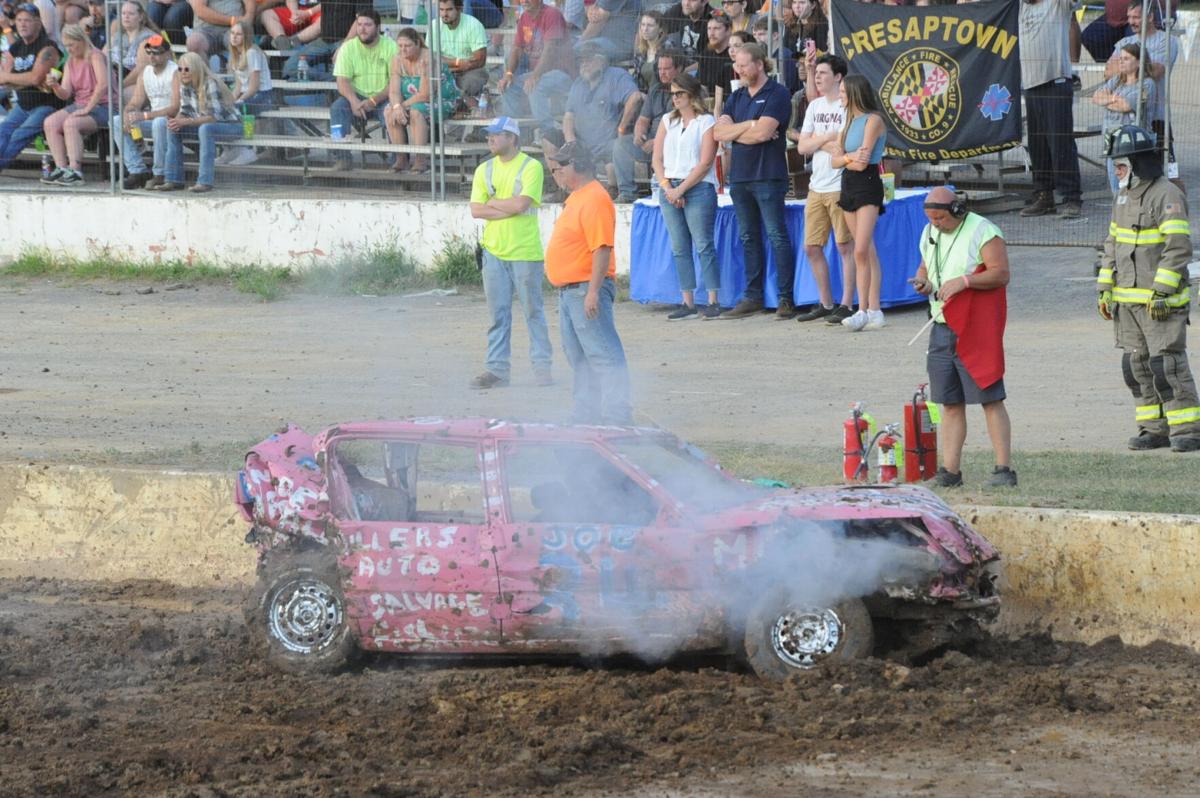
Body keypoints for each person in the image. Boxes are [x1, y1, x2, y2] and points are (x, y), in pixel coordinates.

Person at [1097, 125, 1199, 453]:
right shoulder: (1123, 197)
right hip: (1127, 302)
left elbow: (1178, 247)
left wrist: (1162, 291)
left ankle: (1188, 428)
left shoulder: (1166, 194)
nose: (1116, 171)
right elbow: (1113, 243)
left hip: (1160, 303)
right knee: (1135, 366)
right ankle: (1154, 428)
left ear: (1138, 164)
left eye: (1121, 165)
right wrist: (1105, 288)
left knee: (1166, 365)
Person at [910, 186, 1017, 487]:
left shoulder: (984, 231)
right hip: (941, 326)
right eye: (931, 219)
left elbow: (1000, 273)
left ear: (956, 210)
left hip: (974, 327)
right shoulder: (929, 232)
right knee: (950, 402)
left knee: (990, 398)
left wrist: (965, 281)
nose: (936, 225)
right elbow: (926, 264)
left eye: (941, 219)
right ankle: (950, 472)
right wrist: (924, 281)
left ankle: (1003, 470)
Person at [545, 141, 633, 425]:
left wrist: (593, 291)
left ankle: (616, 417)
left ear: (579, 166)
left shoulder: (594, 198)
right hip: (572, 290)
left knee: (603, 355)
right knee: (580, 357)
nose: (556, 173)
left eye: (561, 167)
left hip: (584, 288)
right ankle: (587, 415)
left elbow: (602, 248)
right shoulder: (580, 197)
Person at [468, 116, 554, 389]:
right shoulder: (485, 169)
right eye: (489, 135)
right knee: (498, 315)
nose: (490, 139)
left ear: (512, 138)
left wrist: (493, 204)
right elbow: (475, 210)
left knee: (532, 312)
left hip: (524, 252)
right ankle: (497, 369)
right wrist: (505, 206)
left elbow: (521, 205)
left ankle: (541, 368)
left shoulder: (531, 167)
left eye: (496, 134)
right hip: (494, 251)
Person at [714, 43, 795, 319]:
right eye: (737, 65)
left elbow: (764, 134)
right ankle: (753, 296)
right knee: (748, 237)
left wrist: (742, 131)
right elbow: (719, 133)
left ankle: (785, 297)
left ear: (760, 65)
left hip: (768, 176)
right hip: (740, 177)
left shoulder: (778, 93)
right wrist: (750, 125)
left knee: (776, 236)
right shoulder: (736, 97)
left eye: (744, 64)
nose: (739, 69)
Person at [788, 52, 855, 324]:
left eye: (823, 72)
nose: (817, 76)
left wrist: (818, 138)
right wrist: (826, 137)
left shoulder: (847, 106)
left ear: (838, 77)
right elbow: (802, 146)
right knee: (812, 247)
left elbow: (846, 145)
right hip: (817, 185)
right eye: (816, 73)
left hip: (841, 183)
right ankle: (826, 302)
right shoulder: (814, 107)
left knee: (844, 246)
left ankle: (848, 303)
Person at [652, 72, 721, 321]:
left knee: (703, 244)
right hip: (671, 184)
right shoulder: (667, 121)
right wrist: (667, 186)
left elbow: (704, 163)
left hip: (698, 185)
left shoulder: (706, 122)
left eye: (679, 93)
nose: (675, 99)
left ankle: (713, 299)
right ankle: (687, 300)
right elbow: (656, 158)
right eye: (673, 94)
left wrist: (678, 190)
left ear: (691, 95)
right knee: (680, 246)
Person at [830, 73, 886, 331]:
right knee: (865, 250)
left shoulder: (872, 120)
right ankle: (874, 308)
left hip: (867, 183)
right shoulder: (848, 122)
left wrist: (846, 156)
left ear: (853, 94)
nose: (839, 97)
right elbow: (835, 161)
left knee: (861, 249)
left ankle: (862, 308)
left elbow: (863, 161)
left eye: (842, 93)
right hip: (848, 184)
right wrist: (848, 156)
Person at [1018, 0, 1082, 218]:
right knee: (1037, 145)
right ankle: (1044, 195)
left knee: (1060, 143)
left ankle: (1071, 198)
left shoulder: (1057, 4)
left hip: (1055, 80)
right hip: (1030, 84)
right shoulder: (1020, 6)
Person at [157, 50, 241, 192]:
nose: (183, 72)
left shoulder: (210, 83)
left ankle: (205, 182)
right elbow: (185, 110)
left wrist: (187, 122)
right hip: (205, 124)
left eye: (187, 69)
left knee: (205, 128)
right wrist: (176, 121)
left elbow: (214, 117)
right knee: (173, 127)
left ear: (195, 68)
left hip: (232, 126)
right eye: (180, 69)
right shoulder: (185, 85)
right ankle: (173, 179)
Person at [40, 23, 109, 187]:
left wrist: (87, 109)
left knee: (71, 123)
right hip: (80, 104)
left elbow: (103, 85)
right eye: (66, 46)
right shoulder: (70, 60)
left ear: (82, 40)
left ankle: (76, 171)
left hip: (104, 106)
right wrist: (55, 85)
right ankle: (61, 168)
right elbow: (66, 93)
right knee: (49, 122)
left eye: (71, 45)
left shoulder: (95, 56)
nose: (69, 49)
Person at [329, 9, 398, 171]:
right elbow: (342, 81)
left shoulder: (391, 47)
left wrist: (374, 101)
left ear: (378, 27)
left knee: (391, 112)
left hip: (384, 97)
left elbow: (395, 82)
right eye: (359, 24)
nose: (362, 29)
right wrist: (354, 101)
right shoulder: (347, 48)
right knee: (337, 108)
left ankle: (397, 160)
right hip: (356, 97)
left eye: (367, 25)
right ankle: (342, 158)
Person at [0, 3, 64, 173]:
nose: (22, 24)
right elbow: (5, 81)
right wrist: (25, 79)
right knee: (3, 131)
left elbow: (36, 77)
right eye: (19, 20)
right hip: (23, 105)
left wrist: (12, 77)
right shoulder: (16, 47)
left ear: (38, 22)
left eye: (27, 20)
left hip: (47, 105)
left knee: (18, 136)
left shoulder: (48, 47)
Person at [612, 49, 683, 203]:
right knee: (621, 143)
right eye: (659, 69)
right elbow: (643, 119)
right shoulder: (656, 89)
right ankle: (627, 193)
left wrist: (658, 143)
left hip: (674, 145)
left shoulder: (687, 91)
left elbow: (682, 129)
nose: (662, 73)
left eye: (667, 69)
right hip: (650, 141)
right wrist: (639, 134)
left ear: (679, 69)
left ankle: (664, 192)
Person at [1107, 1, 1177, 156]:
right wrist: (1137, 66)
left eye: (1136, 17)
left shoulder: (1166, 41)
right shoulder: (1124, 42)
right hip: (1125, 113)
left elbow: (1156, 71)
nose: (1131, 22)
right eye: (1129, 17)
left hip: (1155, 114)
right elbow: (1107, 72)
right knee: (1126, 160)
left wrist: (1123, 67)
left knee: (1163, 164)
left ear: (1150, 17)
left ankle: (1172, 175)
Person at [384, 27, 457, 174]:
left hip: (441, 100)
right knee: (388, 110)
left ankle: (420, 160)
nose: (403, 50)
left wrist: (402, 105)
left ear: (417, 44)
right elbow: (393, 90)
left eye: (407, 46)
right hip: (412, 101)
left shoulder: (429, 59)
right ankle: (401, 158)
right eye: (400, 46)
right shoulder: (397, 59)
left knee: (417, 111)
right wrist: (397, 106)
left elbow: (426, 94)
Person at [562, 40, 640, 175]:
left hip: (608, 144)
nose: (584, 64)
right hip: (581, 143)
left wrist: (621, 129)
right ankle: (565, 189)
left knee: (611, 167)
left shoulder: (617, 76)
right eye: (582, 61)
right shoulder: (578, 84)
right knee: (549, 138)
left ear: (601, 61)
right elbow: (568, 116)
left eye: (589, 60)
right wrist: (571, 142)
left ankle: (613, 191)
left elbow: (635, 98)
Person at [497, 0, 574, 136]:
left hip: (562, 73)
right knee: (508, 86)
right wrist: (508, 74)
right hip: (541, 73)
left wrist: (535, 76)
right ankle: (517, 135)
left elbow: (550, 49)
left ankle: (549, 134)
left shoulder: (552, 14)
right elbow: (517, 48)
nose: (524, 1)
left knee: (536, 86)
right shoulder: (524, 17)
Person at [118, 33, 178, 189]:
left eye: (157, 52)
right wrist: (128, 113)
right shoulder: (145, 72)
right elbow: (136, 101)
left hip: (174, 120)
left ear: (167, 54)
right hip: (152, 119)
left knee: (158, 123)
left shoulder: (175, 71)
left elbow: (174, 108)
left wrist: (145, 115)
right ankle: (137, 171)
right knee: (117, 121)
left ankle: (160, 174)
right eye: (150, 52)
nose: (152, 56)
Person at [1093, 42, 1153, 194]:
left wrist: (1108, 101)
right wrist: (1114, 100)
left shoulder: (1146, 83)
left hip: (1132, 144)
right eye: (1120, 58)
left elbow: (1126, 105)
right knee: (1116, 190)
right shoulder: (1116, 81)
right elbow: (1096, 97)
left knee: (1132, 189)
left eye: (1126, 58)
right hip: (1112, 142)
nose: (1121, 61)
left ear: (1139, 62)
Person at [222, 20, 271, 166]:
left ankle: (247, 150)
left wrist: (239, 100)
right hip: (247, 93)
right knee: (222, 108)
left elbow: (254, 86)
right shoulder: (235, 54)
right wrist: (229, 100)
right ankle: (230, 149)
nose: (234, 37)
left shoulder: (252, 53)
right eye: (232, 33)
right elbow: (238, 86)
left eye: (239, 34)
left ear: (246, 37)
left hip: (262, 95)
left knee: (238, 109)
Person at [283, 0, 357, 80]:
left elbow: (360, 19)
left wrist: (344, 45)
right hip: (324, 40)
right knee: (289, 67)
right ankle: (329, 79)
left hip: (346, 40)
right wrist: (307, 13)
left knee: (342, 73)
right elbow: (326, 3)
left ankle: (333, 80)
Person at [434, 0, 488, 101]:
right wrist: (457, 63)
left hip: (469, 71)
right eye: (441, 10)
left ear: (460, 9)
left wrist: (446, 62)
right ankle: (463, 104)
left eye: (449, 10)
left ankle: (462, 104)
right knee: (430, 81)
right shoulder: (434, 26)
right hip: (443, 71)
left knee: (471, 82)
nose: (444, 14)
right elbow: (430, 57)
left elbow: (480, 60)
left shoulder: (474, 25)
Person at [105, 0, 157, 99]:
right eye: (123, 13)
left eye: (131, 14)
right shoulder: (117, 36)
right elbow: (103, 56)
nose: (126, 16)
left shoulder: (149, 38)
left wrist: (120, 86)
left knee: (121, 95)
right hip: (114, 76)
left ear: (141, 17)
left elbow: (141, 70)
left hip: (135, 80)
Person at [185, 0, 252, 65]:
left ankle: (241, 75)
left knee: (242, 39)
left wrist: (248, 17)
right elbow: (200, 11)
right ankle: (204, 75)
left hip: (233, 28)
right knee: (194, 42)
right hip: (206, 29)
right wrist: (232, 20)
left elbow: (250, 4)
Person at [751, 15, 798, 94]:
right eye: (755, 34)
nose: (757, 38)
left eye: (761, 34)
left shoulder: (786, 56)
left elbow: (789, 86)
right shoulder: (761, 55)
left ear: (775, 35)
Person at [697, 11, 733, 99]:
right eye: (709, 28)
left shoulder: (735, 54)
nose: (711, 33)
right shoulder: (706, 54)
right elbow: (703, 87)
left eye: (716, 28)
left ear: (728, 30)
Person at [631, 9, 667, 91]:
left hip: (663, 94)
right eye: (643, 25)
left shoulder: (667, 47)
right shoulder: (640, 51)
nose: (645, 29)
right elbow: (637, 77)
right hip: (644, 94)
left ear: (660, 29)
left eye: (650, 25)